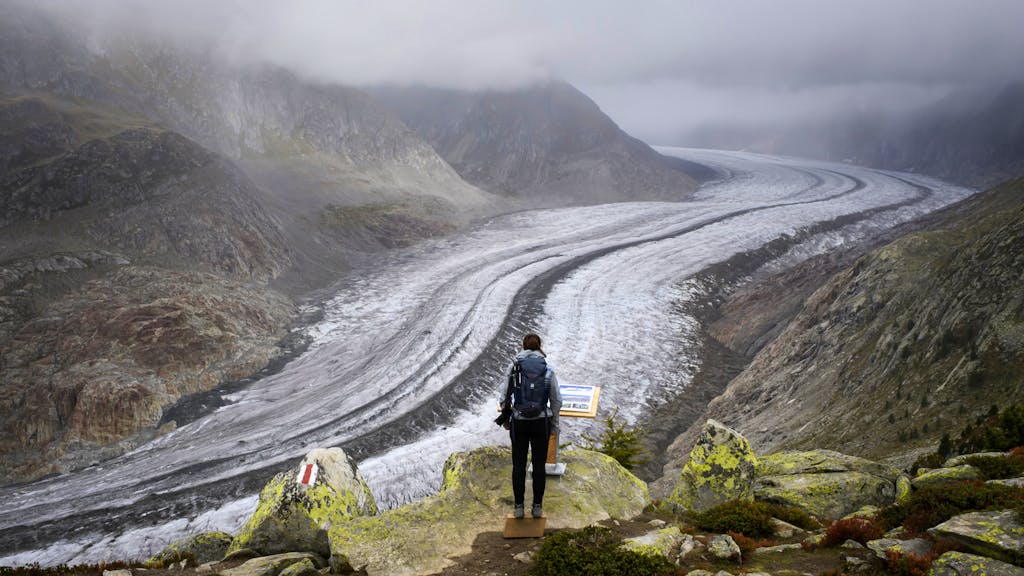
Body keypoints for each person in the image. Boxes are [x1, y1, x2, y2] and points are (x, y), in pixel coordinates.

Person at [498, 333, 562, 519]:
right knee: (539, 466)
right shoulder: (548, 370)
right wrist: (554, 424)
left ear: (523, 347)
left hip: (519, 422)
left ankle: (519, 508)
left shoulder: (514, 368)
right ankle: (537, 507)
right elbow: (556, 400)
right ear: (539, 346)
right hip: (541, 422)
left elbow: (504, 396)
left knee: (518, 466)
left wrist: (507, 418)